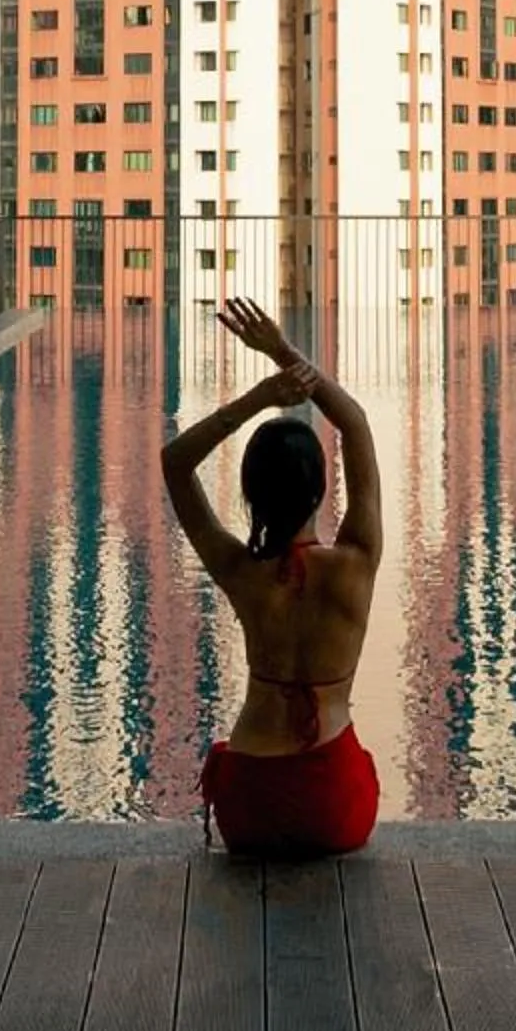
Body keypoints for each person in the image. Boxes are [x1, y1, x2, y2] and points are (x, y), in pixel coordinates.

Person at [161, 297, 382, 856]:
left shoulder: (240, 572)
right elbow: (354, 422)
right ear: (320, 491)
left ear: (251, 493)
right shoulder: (356, 561)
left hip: (249, 808)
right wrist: (285, 355)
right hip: (332, 808)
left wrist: (257, 400)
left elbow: (175, 462)